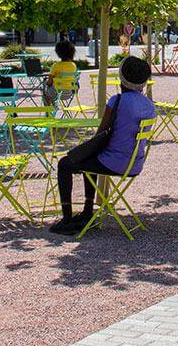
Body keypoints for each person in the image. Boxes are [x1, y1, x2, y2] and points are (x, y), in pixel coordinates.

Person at [51, 56, 156, 236]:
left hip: (113, 162)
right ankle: (87, 211)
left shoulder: (117, 100)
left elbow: (101, 132)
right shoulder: (149, 105)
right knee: (88, 162)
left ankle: (68, 218)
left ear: (121, 77)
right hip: (134, 163)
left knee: (64, 164)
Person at [44, 40, 78, 106]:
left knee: (45, 90)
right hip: (68, 93)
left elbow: (49, 82)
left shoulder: (56, 65)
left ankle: (49, 111)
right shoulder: (73, 65)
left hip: (56, 92)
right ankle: (54, 106)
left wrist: (46, 83)